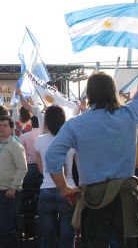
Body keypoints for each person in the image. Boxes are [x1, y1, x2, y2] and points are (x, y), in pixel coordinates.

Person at [45, 40, 138, 247]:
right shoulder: (129, 114)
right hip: (125, 197)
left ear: (89, 94)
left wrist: (64, 188)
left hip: (93, 200)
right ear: (113, 91)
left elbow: (52, 156)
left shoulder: (75, 124)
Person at [35, 105, 76, 248]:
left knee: (47, 238)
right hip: (68, 189)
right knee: (67, 237)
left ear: (46, 121)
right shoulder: (72, 140)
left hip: (46, 189)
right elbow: (79, 167)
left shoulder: (39, 141)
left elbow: (41, 169)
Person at [0, 115, 27, 248]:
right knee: (2, 229)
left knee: (8, 229)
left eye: (5, 125)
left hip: (9, 193)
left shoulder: (15, 145)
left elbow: (22, 168)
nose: (1, 128)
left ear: (11, 129)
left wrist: (13, 187)